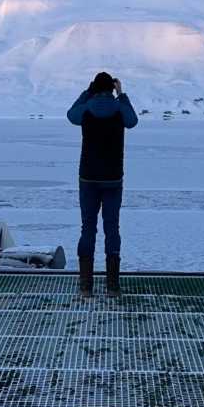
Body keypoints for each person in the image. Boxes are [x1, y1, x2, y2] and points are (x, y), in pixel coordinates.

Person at [66, 71, 138, 297]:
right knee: (112, 227)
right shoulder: (119, 108)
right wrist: (122, 94)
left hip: (88, 177)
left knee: (87, 228)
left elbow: (71, 115)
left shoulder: (86, 108)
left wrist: (87, 93)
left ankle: (86, 285)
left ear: (95, 88)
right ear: (112, 88)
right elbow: (132, 121)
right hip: (113, 178)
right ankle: (112, 286)